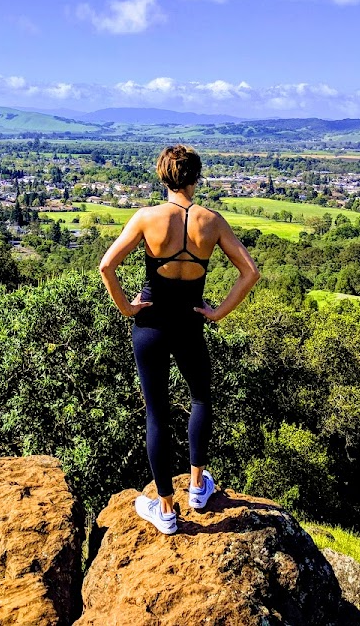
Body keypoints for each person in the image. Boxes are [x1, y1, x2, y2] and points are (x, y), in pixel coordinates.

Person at [99, 144, 260, 535]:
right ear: (196, 176)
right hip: (190, 323)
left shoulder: (146, 218)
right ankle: (198, 487)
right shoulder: (212, 221)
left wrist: (126, 308)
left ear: (162, 176)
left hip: (151, 325)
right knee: (200, 397)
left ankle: (166, 511)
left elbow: (107, 265)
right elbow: (250, 272)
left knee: (157, 413)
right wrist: (217, 312)